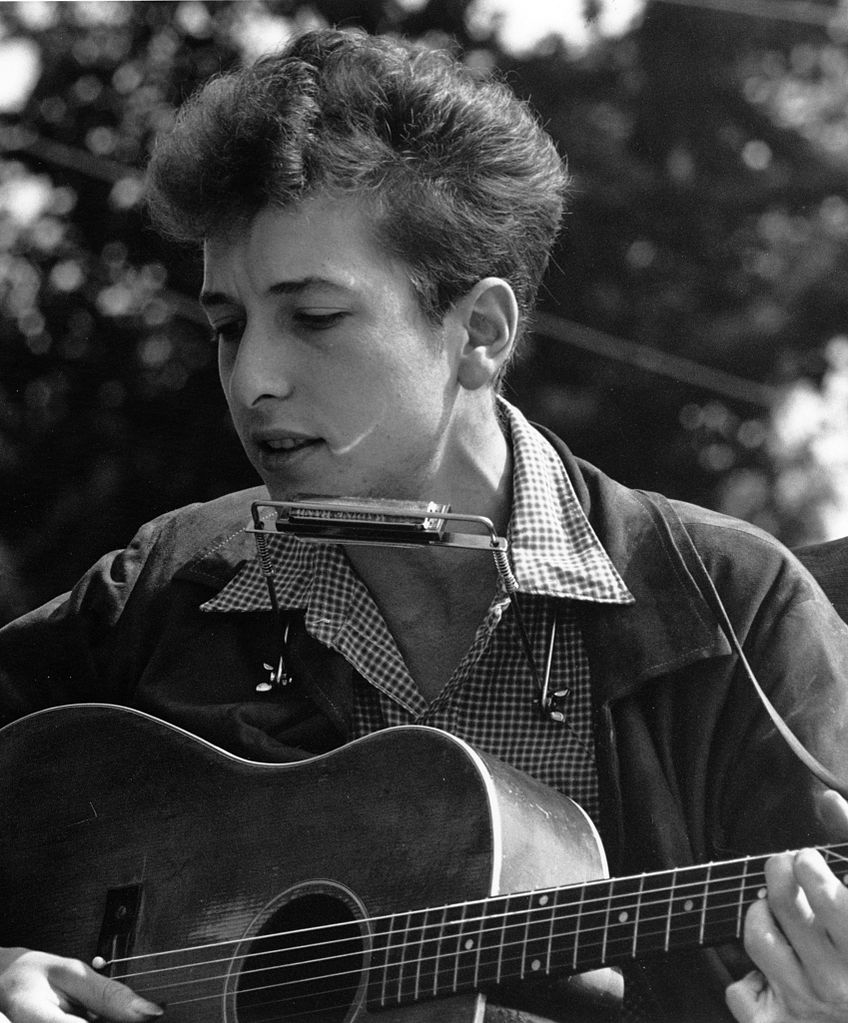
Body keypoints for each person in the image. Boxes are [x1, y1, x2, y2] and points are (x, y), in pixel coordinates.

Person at [1, 26, 848, 1023]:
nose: (251, 379)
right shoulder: (167, 582)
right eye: (227, 325)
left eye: (312, 318)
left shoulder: (730, 607)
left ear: (479, 334)